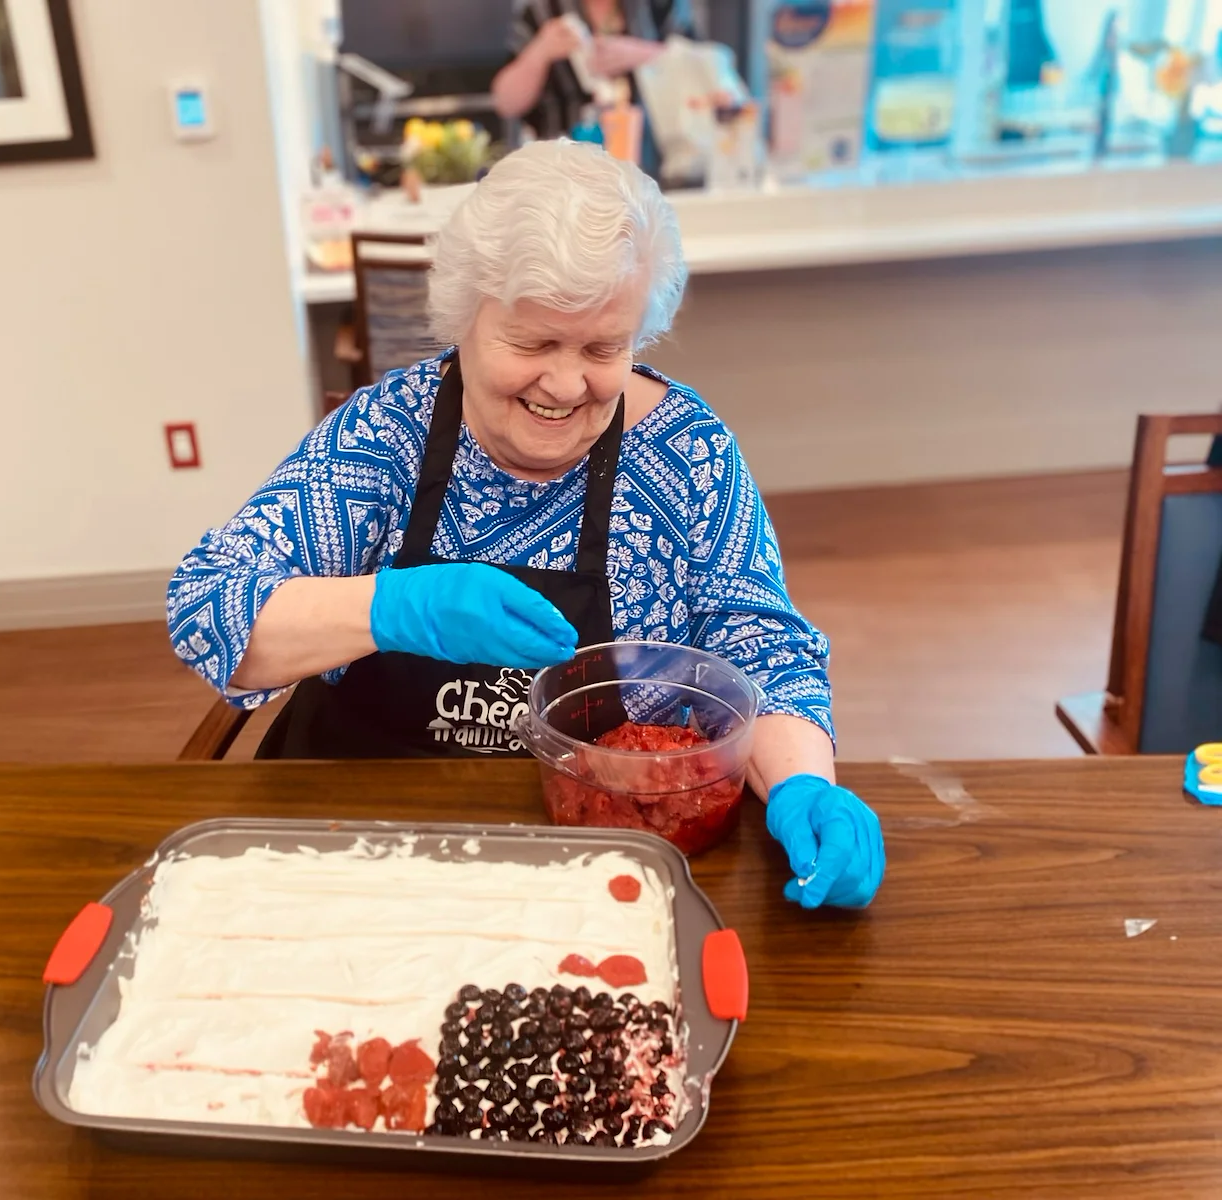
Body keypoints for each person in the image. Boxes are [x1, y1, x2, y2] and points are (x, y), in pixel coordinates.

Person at [167, 140, 883, 911]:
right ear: (464, 317)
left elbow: (763, 649)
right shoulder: (386, 435)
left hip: (602, 849)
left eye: (604, 347)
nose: (568, 383)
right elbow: (210, 605)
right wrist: (392, 607)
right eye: (534, 342)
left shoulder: (686, 453)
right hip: (363, 839)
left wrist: (803, 786)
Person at [491, 0, 698, 172]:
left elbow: (702, 70)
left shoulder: (661, 6)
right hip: (565, 179)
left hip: (659, 173)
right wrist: (540, 51)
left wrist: (643, 54)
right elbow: (505, 102)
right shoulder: (542, 12)